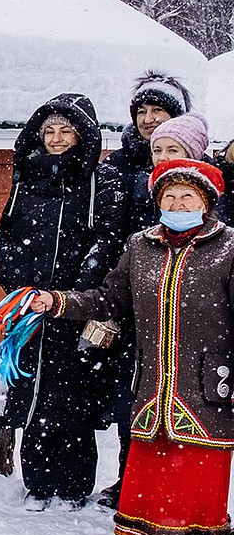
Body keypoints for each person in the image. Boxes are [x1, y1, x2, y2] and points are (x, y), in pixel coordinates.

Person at [31, 158, 234, 535]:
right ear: (158, 201)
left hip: (206, 376)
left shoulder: (228, 247)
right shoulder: (140, 246)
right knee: (155, 460)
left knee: (201, 467)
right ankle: (157, 533)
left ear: (207, 202)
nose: (178, 203)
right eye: (170, 197)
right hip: (154, 377)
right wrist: (59, 302)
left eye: (188, 197)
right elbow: (109, 299)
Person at [0, 93, 127, 510]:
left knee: (71, 399)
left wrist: (73, 294)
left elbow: (106, 242)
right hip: (30, 307)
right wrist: (18, 285)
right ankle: (36, 481)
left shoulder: (100, 180)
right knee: (32, 396)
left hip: (73, 307)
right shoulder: (27, 177)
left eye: (65, 130)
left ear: (82, 134)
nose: (55, 138)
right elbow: (7, 237)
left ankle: (72, 484)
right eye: (48, 130)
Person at [92, 72, 193, 507]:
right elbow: (107, 231)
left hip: (185, 295)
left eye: (159, 111)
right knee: (129, 395)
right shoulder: (117, 165)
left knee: (184, 400)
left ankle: (179, 489)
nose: (149, 119)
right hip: (132, 289)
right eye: (142, 112)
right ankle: (128, 479)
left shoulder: (198, 170)